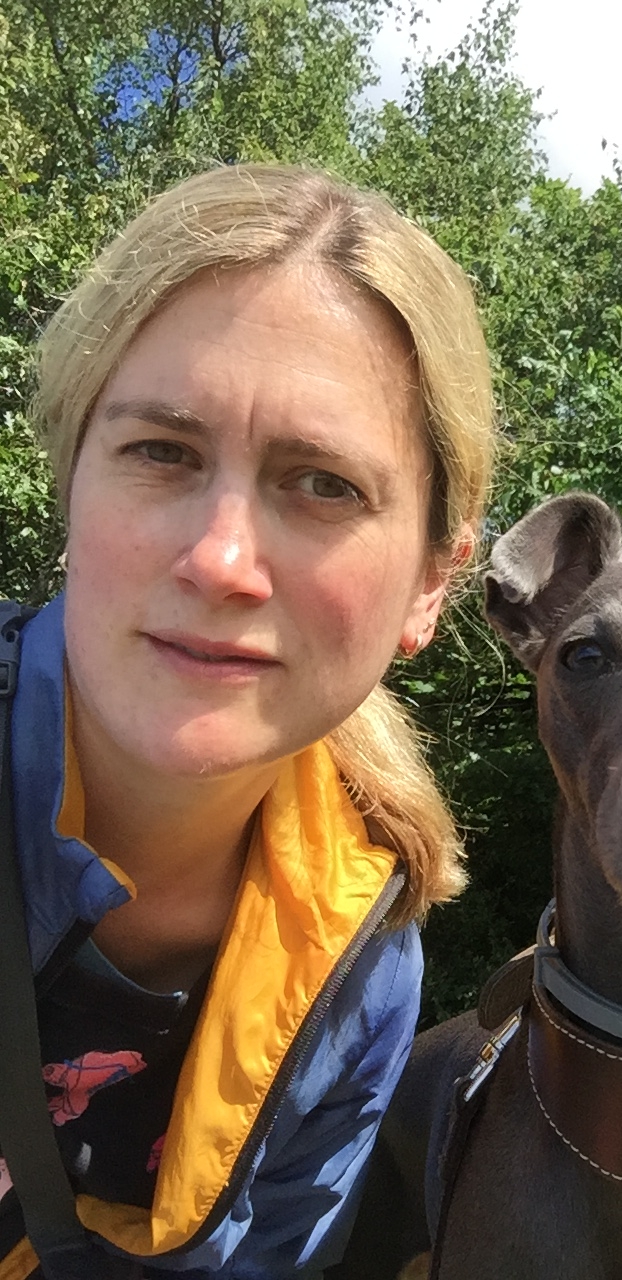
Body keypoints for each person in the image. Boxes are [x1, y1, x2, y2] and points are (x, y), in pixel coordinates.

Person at [0, 163, 495, 1278]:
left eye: (321, 483)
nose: (221, 560)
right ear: (71, 485)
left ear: (431, 583)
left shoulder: (363, 972)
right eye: (161, 451)